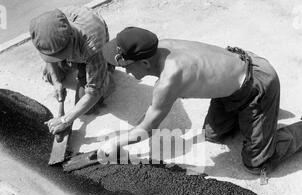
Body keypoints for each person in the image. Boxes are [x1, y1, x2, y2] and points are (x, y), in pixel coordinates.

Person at [98, 26, 302, 174]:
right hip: (233, 80)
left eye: (126, 66)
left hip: (257, 85)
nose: (125, 71)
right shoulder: (158, 47)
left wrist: (115, 142)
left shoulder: (169, 79)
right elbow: (153, 111)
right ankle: (251, 120)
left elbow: (148, 126)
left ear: (143, 62)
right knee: (212, 135)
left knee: (256, 164)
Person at [29, 6, 113, 135]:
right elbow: (49, 57)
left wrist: (65, 120)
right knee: (49, 76)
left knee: (89, 105)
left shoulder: (92, 46)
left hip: (92, 54)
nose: (55, 58)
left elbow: (93, 92)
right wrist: (57, 82)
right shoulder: (44, 31)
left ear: (72, 36)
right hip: (76, 52)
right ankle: (73, 69)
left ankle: (108, 73)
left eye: (61, 54)